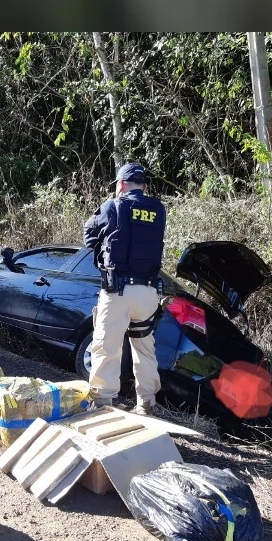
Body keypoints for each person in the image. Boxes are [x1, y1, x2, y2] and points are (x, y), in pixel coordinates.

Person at [82, 162, 167, 415]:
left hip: (118, 291)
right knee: (144, 348)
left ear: (120, 185)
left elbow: (89, 236)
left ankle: (101, 402)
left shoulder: (113, 206)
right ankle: (147, 403)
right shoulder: (158, 210)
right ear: (145, 186)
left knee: (107, 346)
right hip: (149, 294)